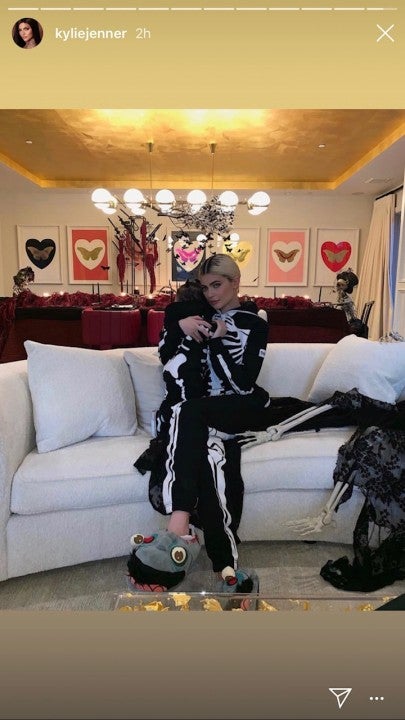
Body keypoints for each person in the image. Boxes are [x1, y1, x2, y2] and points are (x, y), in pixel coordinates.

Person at [129, 254, 274, 593]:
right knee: (208, 458)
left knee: (188, 412)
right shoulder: (203, 317)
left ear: (236, 283)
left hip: (242, 406)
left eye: (217, 285)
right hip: (207, 414)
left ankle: (177, 521)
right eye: (205, 287)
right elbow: (171, 336)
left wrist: (219, 341)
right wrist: (180, 325)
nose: (211, 294)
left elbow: (243, 385)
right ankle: (226, 564)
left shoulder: (255, 325)